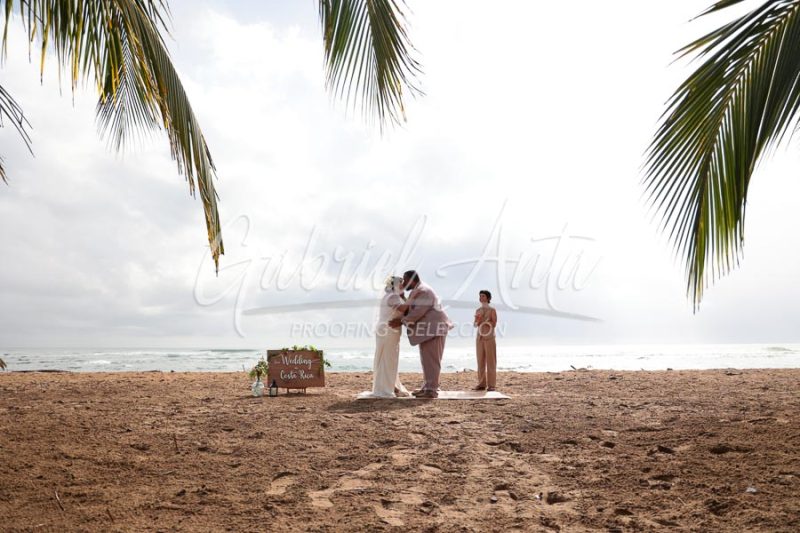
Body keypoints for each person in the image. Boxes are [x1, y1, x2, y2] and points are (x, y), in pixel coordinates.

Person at [388, 270, 452, 398]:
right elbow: (410, 307)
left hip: (434, 329)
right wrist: (401, 296)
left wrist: (400, 321)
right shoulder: (418, 290)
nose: (404, 283)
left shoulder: (423, 291)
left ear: (412, 280)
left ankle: (431, 390)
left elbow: (418, 311)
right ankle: (427, 387)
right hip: (428, 330)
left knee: (432, 360)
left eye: (405, 281)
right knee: (426, 360)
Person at [360, 276, 411, 398]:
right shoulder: (393, 297)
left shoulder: (392, 296)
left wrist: (404, 297)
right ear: (396, 284)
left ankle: (391, 385)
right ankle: (386, 388)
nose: (404, 285)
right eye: (402, 283)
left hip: (387, 329)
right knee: (388, 358)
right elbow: (403, 308)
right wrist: (413, 299)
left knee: (388, 358)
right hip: (388, 329)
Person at [473, 290, 498, 391]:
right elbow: (475, 325)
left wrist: (486, 322)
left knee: (491, 361)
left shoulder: (492, 310)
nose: (481, 298)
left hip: (489, 338)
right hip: (479, 338)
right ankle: (481, 384)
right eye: (480, 296)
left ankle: (491, 385)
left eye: (483, 296)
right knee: (480, 361)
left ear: (488, 298)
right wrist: (478, 320)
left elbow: (494, 323)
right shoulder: (478, 310)